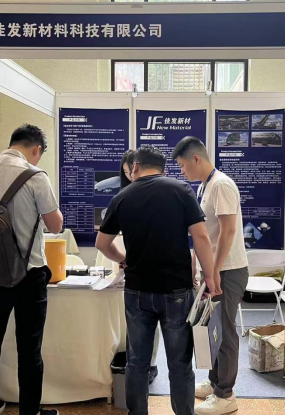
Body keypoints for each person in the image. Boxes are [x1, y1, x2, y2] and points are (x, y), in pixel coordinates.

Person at [96, 145, 221, 415]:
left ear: (136, 167)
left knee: (137, 362)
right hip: (176, 290)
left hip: (137, 291)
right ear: (163, 169)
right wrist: (210, 276)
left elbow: (102, 243)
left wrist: (123, 259)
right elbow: (201, 237)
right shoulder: (181, 190)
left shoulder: (122, 197)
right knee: (179, 363)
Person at [0, 124, 63, 415]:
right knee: (29, 346)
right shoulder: (36, 177)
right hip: (29, 273)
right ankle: (29, 411)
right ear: (36, 149)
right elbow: (55, 225)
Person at [173, 137, 248, 415]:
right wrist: (200, 266)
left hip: (227, 270)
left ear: (196, 159)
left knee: (225, 331)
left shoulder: (221, 185)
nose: (182, 172)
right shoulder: (205, 186)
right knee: (211, 328)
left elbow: (228, 232)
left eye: (183, 166)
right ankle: (215, 382)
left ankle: (226, 395)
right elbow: (205, 233)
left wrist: (213, 271)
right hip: (214, 270)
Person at [119, 149, 159, 385]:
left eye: (130, 171)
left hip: (150, 269)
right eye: (125, 173)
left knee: (150, 323)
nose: (130, 176)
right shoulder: (125, 195)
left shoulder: (157, 193)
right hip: (134, 267)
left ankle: (150, 363)